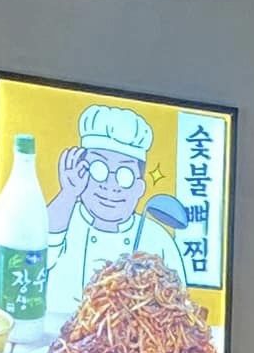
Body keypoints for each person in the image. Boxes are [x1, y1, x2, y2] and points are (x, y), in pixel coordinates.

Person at [43, 104, 188, 316]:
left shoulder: (158, 239)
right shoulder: (63, 218)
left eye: (124, 175)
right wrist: (68, 193)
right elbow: (32, 257)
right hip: (54, 334)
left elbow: (179, 305)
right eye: (98, 169)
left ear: (139, 188)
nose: (110, 185)